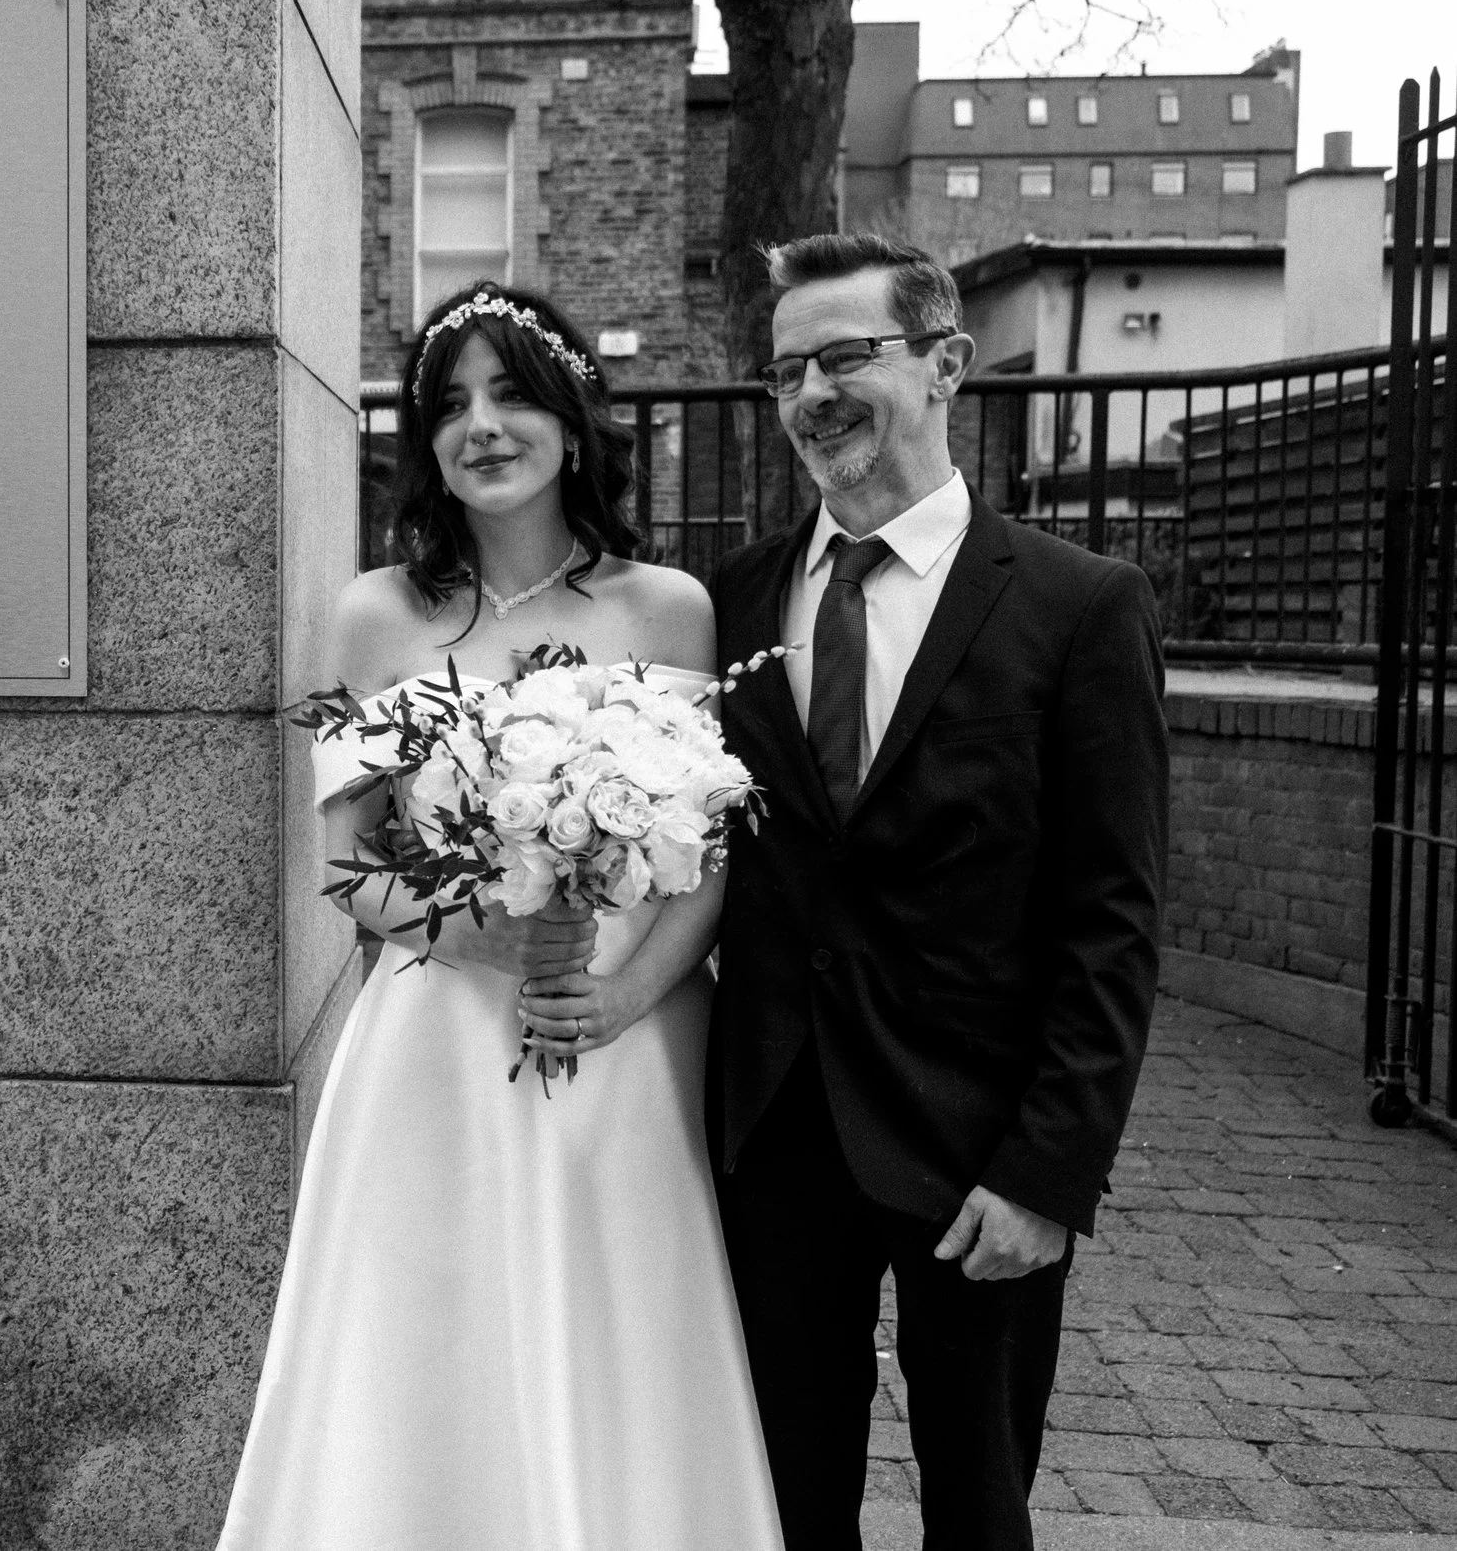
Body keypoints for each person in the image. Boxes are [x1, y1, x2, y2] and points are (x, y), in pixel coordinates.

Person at [217, 282, 783, 1549]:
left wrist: (617, 998)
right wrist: (478, 929)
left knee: (613, 1325)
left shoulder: (669, 606)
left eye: (513, 392)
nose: (482, 424)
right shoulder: (378, 613)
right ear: (423, 444)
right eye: (450, 404)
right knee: (427, 1336)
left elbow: (705, 864)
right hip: (431, 1048)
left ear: (573, 424)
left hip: (620, 1044)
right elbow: (349, 869)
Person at [706, 233, 1167, 1551]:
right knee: (785, 1499)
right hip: (776, 1139)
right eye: (786, 370)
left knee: (979, 1502)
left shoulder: (1079, 606)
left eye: (845, 356)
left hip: (980, 1151)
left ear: (948, 363)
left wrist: (1049, 1170)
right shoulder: (730, 601)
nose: (809, 395)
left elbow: (1115, 917)